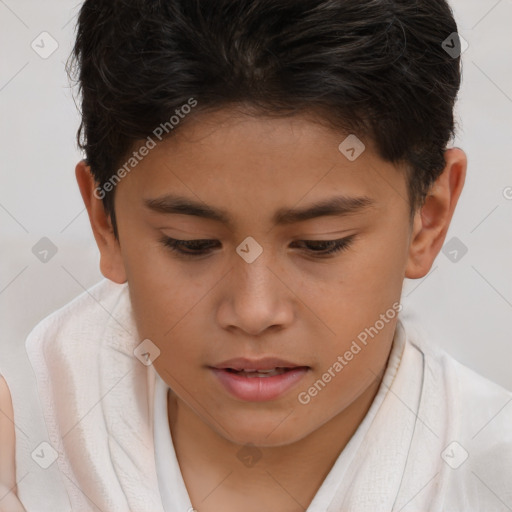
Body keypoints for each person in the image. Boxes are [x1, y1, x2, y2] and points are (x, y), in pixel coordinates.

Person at [1, 0, 511, 510]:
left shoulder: (489, 474)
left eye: (320, 244)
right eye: (190, 243)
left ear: (429, 217)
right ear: (105, 222)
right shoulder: (23, 440)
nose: (253, 312)